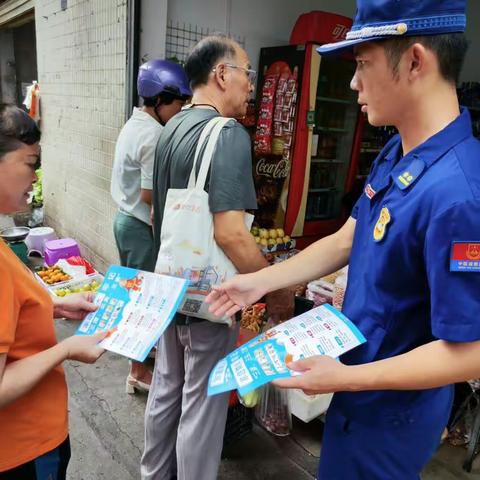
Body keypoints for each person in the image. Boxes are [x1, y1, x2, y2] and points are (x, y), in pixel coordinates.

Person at [207, 1, 480, 478]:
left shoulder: (461, 195)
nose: (353, 82)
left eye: (362, 63)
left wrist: (349, 380)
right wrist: (261, 282)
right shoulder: (398, 147)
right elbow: (344, 241)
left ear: (415, 61)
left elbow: (469, 351)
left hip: (392, 414)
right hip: (359, 387)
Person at [141, 35, 292, 480]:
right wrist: (275, 286)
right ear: (222, 74)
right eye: (247, 73)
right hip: (211, 299)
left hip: (169, 285)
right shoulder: (226, 134)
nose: (252, 85)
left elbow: (158, 213)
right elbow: (230, 234)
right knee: (203, 406)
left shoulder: (169, 128)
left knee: (167, 388)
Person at [0, 104, 108, 479]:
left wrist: (56, 305)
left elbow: (11, 313)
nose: (37, 175)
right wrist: (66, 349)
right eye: (30, 163)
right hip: (22, 450)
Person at [111, 59, 191, 394]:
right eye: (177, 103)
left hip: (125, 221)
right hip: (140, 227)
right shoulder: (154, 135)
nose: (181, 110)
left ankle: (141, 357)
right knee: (144, 301)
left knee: (137, 296)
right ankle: (137, 371)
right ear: (159, 101)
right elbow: (149, 195)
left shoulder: (134, 123)